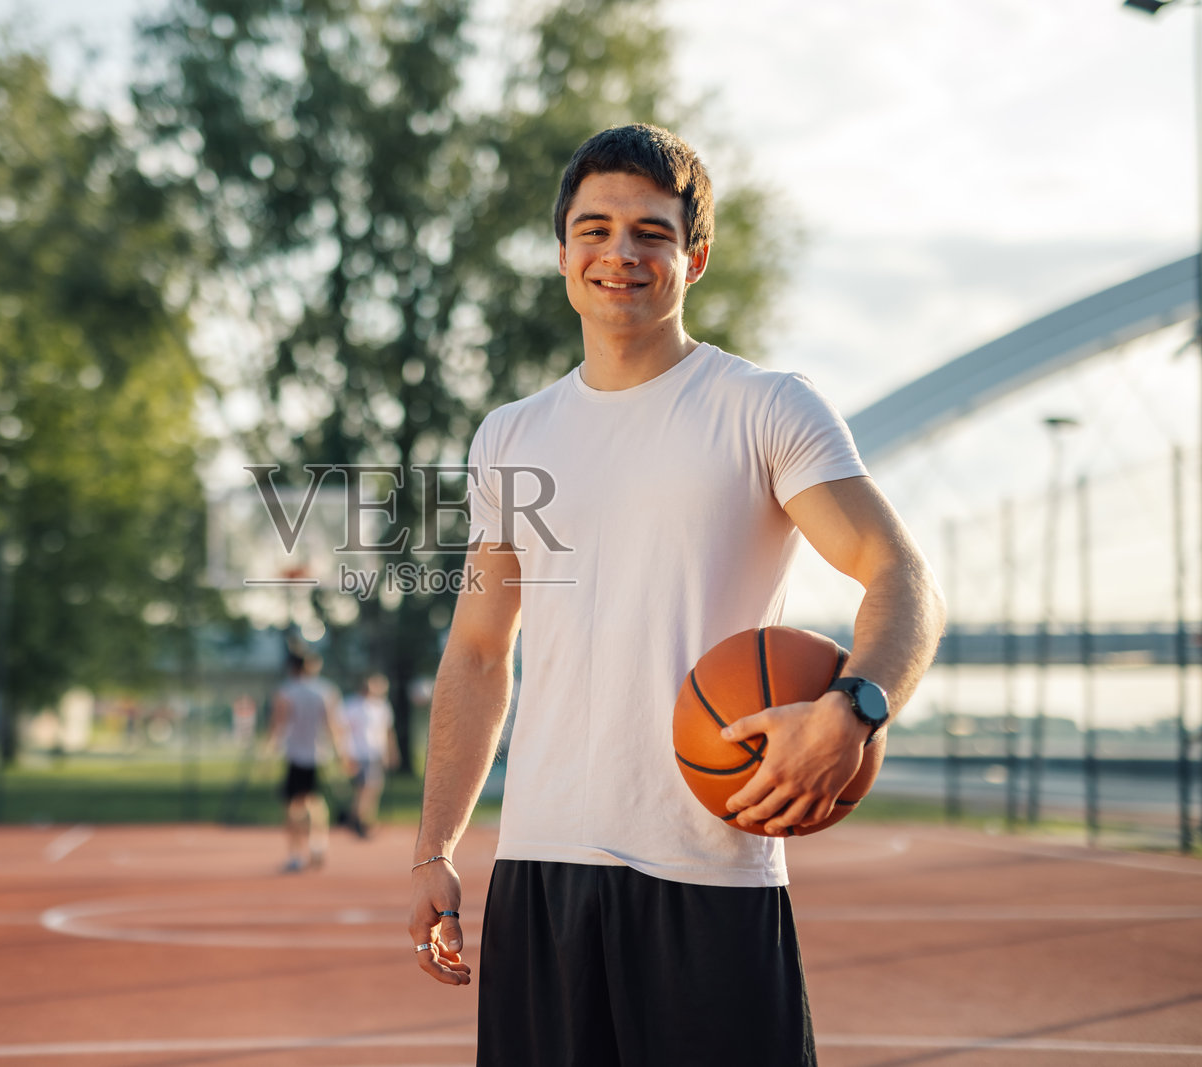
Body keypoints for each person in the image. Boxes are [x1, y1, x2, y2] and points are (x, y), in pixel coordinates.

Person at [407, 124, 946, 1065]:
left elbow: (901, 574)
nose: (621, 253)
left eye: (651, 233)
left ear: (693, 257)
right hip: (541, 871)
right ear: (562, 251)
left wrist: (855, 707)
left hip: (711, 866)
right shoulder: (509, 434)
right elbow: (481, 650)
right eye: (595, 228)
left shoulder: (765, 407)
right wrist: (435, 845)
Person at [267, 649, 351, 872]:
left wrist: (268, 754)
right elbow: (334, 726)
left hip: (295, 755)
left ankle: (295, 854)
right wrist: (342, 754)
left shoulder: (286, 691)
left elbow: (278, 725)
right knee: (315, 803)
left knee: (292, 806)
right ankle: (318, 845)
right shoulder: (326, 691)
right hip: (318, 755)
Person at [338, 673, 401, 837]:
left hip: (375, 753)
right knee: (364, 788)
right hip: (359, 753)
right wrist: (346, 754)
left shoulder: (381, 706)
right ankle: (359, 820)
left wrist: (391, 752)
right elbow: (343, 731)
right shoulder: (351, 705)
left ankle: (362, 819)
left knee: (374, 788)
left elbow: (387, 731)